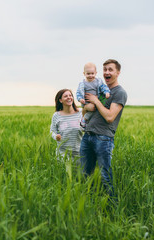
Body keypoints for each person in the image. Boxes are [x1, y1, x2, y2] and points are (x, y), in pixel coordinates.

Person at [79, 59, 127, 199]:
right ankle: (89, 202)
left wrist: (96, 101)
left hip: (103, 138)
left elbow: (110, 117)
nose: (107, 72)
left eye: (110, 69)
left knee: (105, 175)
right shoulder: (99, 90)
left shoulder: (119, 92)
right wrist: (86, 107)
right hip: (87, 136)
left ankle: (113, 205)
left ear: (118, 72)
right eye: (105, 69)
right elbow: (86, 113)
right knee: (84, 174)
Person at [50, 89, 83, 160]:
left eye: (70, 95)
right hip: (63, 152)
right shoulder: (56, 115)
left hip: (79, 152)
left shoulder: (81, 112)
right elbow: (52, 131)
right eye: (65, 96)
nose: (69, 97)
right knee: (64, 171)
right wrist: (55, 136)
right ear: (60, 100)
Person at [76, 62, 110, 129]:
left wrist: (106, 92)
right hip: (86, 102)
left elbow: (103, 87)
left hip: (96, 101)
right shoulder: (82, 84)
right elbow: (78, 93)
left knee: (95, 110)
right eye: (88, 74)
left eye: (92, 73)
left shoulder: (98, 81)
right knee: (90, 110)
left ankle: (84, 120)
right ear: (84, 73)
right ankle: (84, 121)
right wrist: (80, 99)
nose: (90, 75)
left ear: (96, 73)